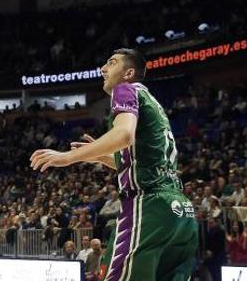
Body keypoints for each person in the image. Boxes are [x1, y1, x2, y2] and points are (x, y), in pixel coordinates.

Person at [31, 48, 198, 281]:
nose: (103, 68)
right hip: (180, 212)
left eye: (111, 62)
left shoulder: (125, 89)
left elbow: (123, 135)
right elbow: (142, 161)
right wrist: (99, 156)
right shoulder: (153, 102)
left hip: (148, 206)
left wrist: (65, 158)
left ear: (129, 73)